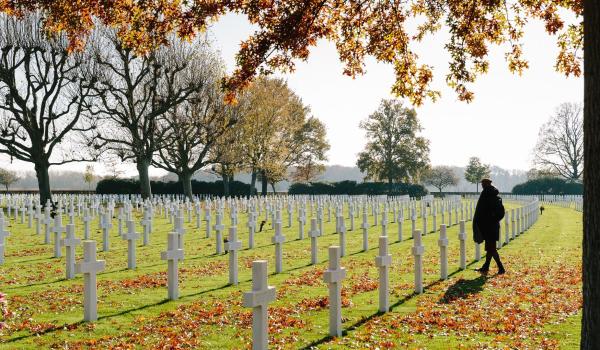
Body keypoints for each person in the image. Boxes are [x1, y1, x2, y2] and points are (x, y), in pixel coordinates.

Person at [473, 178, 506, 275]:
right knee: (489, 248)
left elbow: (495, 212)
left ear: (487, 184)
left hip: (490, 227)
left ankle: (501, 268)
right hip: (490, 226)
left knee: (491, 248)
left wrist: (489, 219)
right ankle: (485, 267)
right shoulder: (489, 194)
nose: (482, 185)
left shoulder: (489, 196)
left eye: (483, 183)